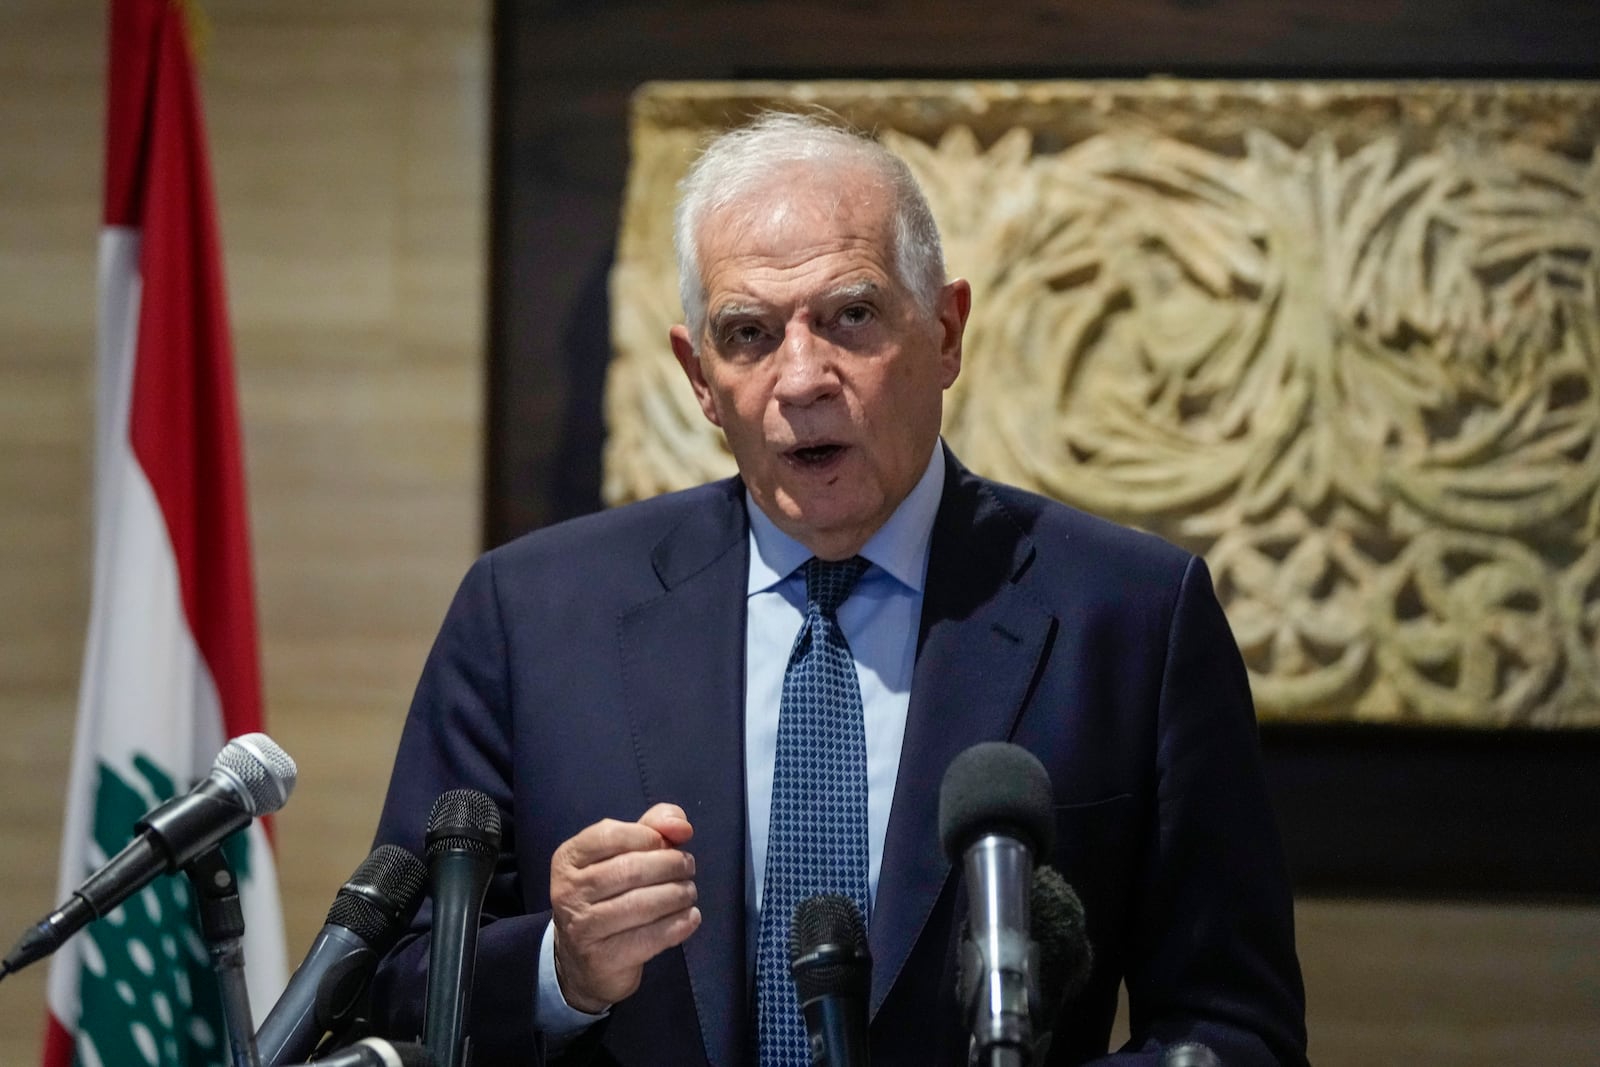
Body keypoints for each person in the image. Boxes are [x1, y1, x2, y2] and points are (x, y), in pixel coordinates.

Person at [369, 112, 1308, 1066]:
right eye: (749, 334)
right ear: (699, 378)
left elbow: (1234, 1026)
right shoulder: (528, 613)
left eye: (850, 316)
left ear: (945, 332)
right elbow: (393, 984)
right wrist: (559, 967)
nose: (803, 377)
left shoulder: (1134, 615)